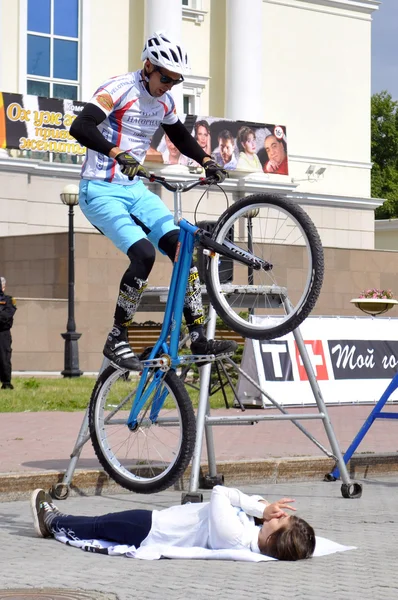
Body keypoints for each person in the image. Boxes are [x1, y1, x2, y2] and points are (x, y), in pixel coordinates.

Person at [69, 31, 236, 371]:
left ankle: (198, 334)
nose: (169, 86)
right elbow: (80, 127)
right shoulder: (117, 89)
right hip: (99, 190)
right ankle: (117, 336)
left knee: (182, 248)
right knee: (143, 254)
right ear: (148, 66)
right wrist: (117, 153)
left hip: (134, 190)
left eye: (176, 81)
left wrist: (206, 160)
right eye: (165, 78)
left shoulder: (166, 102)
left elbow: (179, 135)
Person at [31, 485, 315, 561]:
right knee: (98, 525)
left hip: (150, 528)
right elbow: (245, 502)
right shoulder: (252, 534)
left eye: (279, 521)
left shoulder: (235, 535)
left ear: (272, 540)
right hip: (156, 525)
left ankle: (52, 521)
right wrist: (262, 509)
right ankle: (55, 520)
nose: (275, 515)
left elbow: (221, 493)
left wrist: (259, 508)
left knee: (95, 527)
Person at [0, 276, 17, 390]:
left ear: (4, 287)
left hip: (2, 333)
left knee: (4, 358)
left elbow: (6, 316)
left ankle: (6, 383)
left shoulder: (9, 300)